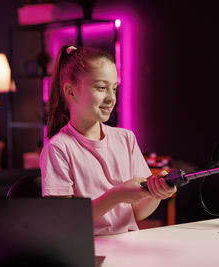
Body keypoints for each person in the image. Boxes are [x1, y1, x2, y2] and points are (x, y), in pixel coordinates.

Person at [39, 45, 176, 235]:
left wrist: (156, 194)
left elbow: (138, 212)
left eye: (114, 89)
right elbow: (63, 223)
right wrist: (117, 195)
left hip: (128, 248)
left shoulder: (125, 139)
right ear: (71, 91)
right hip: (89, 252)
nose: (111, 98)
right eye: (101, 88)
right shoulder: (59, 148)